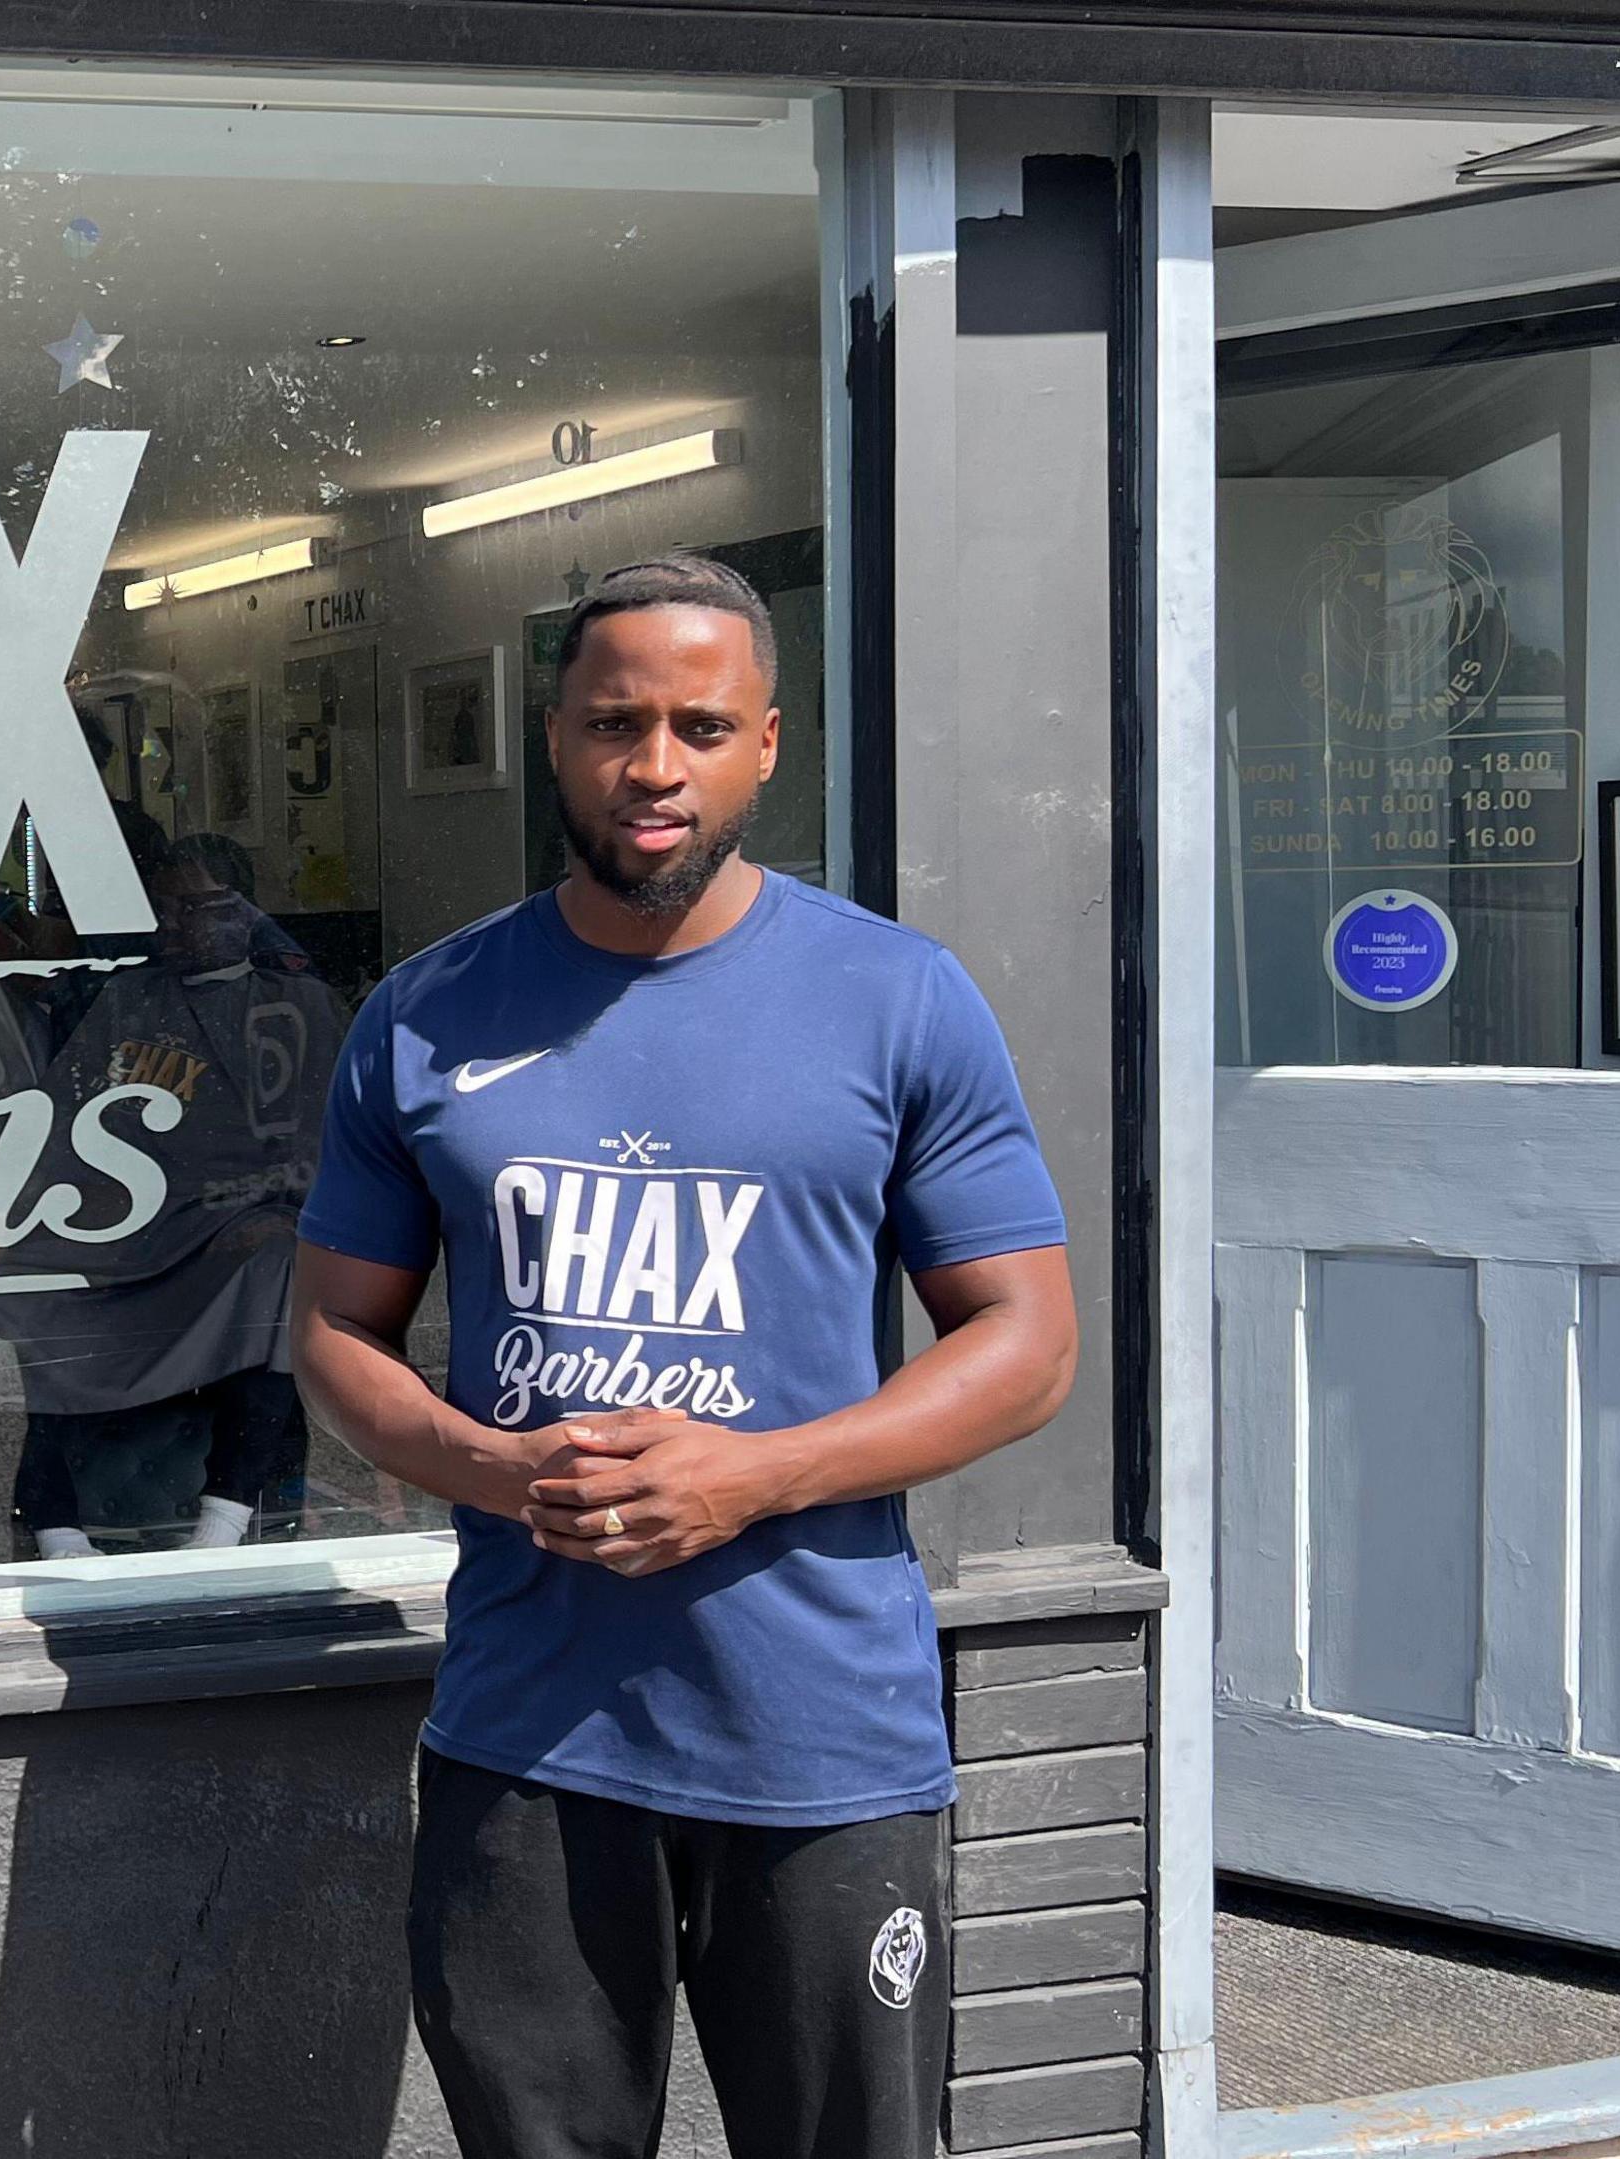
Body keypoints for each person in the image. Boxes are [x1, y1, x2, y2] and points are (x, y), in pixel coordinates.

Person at [290, 554, 1079, 2159]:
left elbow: (1027, 1341)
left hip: (823, 1733)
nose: (657, 765)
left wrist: (759, 1472)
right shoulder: (429, 1011)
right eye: (616, 721)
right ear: (557, 737)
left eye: (701, 725)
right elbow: (330, 1334)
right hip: (529, 1733)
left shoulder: (894, 997)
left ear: (767, 743)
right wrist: (501, 1470)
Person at [0, 829, 344, 1555]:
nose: (174, 923)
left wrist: (262, 1209)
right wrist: (14, 1226)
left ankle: (224, 1517)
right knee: (27, 1283)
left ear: (244, 910)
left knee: (275, 1268)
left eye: (195, 907)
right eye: (164, 908)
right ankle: (54, 1523)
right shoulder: (127, 997)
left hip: (238, 1222)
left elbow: (316, 1140)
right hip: (127, 1219)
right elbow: (61, 1119)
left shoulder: (297, 1005)